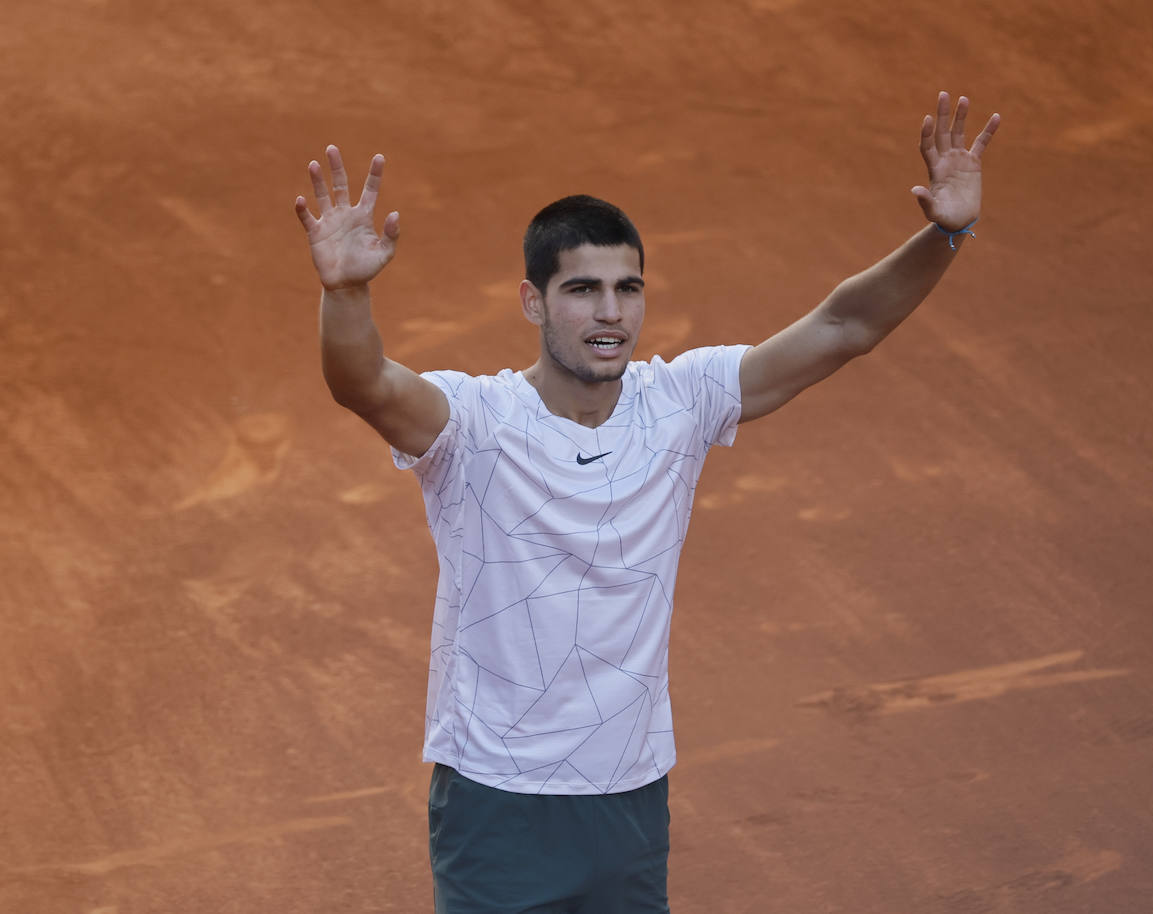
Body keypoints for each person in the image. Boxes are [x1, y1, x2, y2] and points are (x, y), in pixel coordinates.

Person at [294, 91, 1001, 913]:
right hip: (497, 804)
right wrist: (345, 294)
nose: (610, 313)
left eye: (627, 289)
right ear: (533, 303)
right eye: (583, 290)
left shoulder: (682, 400)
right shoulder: (473, 423)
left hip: (630, 798)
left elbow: (844, 326)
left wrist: (944, 235)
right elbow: (364, 383)